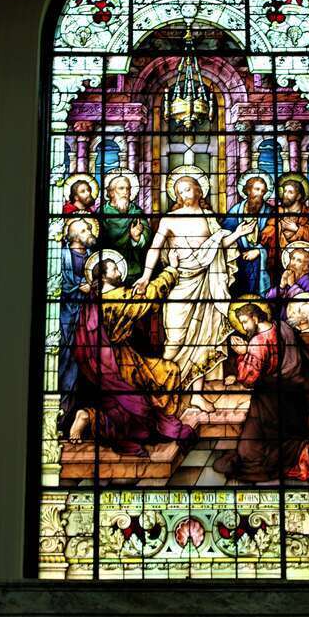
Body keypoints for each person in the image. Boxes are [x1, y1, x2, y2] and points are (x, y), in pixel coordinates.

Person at [133, 173, 256, 412]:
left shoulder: (208, 217)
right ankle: (163, 389)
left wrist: (238, 234)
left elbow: (218, 245)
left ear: (199, 191)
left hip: (207, 283)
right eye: (180, 191)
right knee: (175, 339)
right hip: (180, 282)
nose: (184, 193)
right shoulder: (170, 219)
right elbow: (155, 248)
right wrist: (146, 276)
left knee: (204, 341)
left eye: (188, 188)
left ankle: (196, 395)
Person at [68, 256, 196, 457]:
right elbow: (148, 297)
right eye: (114, 269)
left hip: (111, 360)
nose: (119, 272)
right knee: (135, 406)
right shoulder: (117, 298)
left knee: (165, 375)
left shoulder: (94, 299)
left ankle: (155, 422)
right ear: (103, 277)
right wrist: (172, 269)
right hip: (119, 362)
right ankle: (89, 417)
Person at [213, 302, 309, 482]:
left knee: (250, 452)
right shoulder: (283, 327)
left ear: (255, 317)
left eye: (245, 322)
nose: (244, 327)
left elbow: (248, 378)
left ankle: (299, 451)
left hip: (268, 398)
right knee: (277, 435)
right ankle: (300, 450)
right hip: (294, 392)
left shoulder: (257, 342)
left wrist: (243, 353)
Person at [58, 219, 97, 431]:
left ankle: (69, 415)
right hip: (66, 316)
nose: (89, 231)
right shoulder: (63, 255)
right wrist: (78, 287)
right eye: (84, 230)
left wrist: (93, 286)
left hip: (85, 317)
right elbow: (58, 283)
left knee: (78, 365)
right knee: (64, 361)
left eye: (89, 228)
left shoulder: (92, 255)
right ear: (73, 237)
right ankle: (57, 417)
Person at [222, 175, 274, 296]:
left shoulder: (270, 212)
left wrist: (259, 251)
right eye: (257, 189)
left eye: (263, 191)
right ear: (248, 190)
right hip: (239, 259)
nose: (260, 194)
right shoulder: (235, 211)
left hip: (262, 261)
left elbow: (274, 241)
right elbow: (224, 237)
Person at [261, 175, 309, 282]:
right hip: (276, 259)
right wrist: (279, 227)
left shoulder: (308, 213)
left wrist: (297, 229)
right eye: (285, 191)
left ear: (299, 196)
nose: (285, 195)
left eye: (290, 192)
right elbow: (266, 234)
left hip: (301, 262)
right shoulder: (278, 211)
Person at [102, 175, 151, 284]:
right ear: (111, 192)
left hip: (133, 269)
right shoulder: (101, 213)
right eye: (121, 188)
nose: (125, 192)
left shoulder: (136, 212)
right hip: (108, 271)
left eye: (128, 189)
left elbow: (147, 236)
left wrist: (136, 239)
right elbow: (98, 242)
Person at [266, 245, 309, 310]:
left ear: (305, 266)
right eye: (293, 258)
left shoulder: (308, 281)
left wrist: (293, 285)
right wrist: (281, 286)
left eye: (299, 261)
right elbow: (269, 299)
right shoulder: (289, 276)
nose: (293, 263)